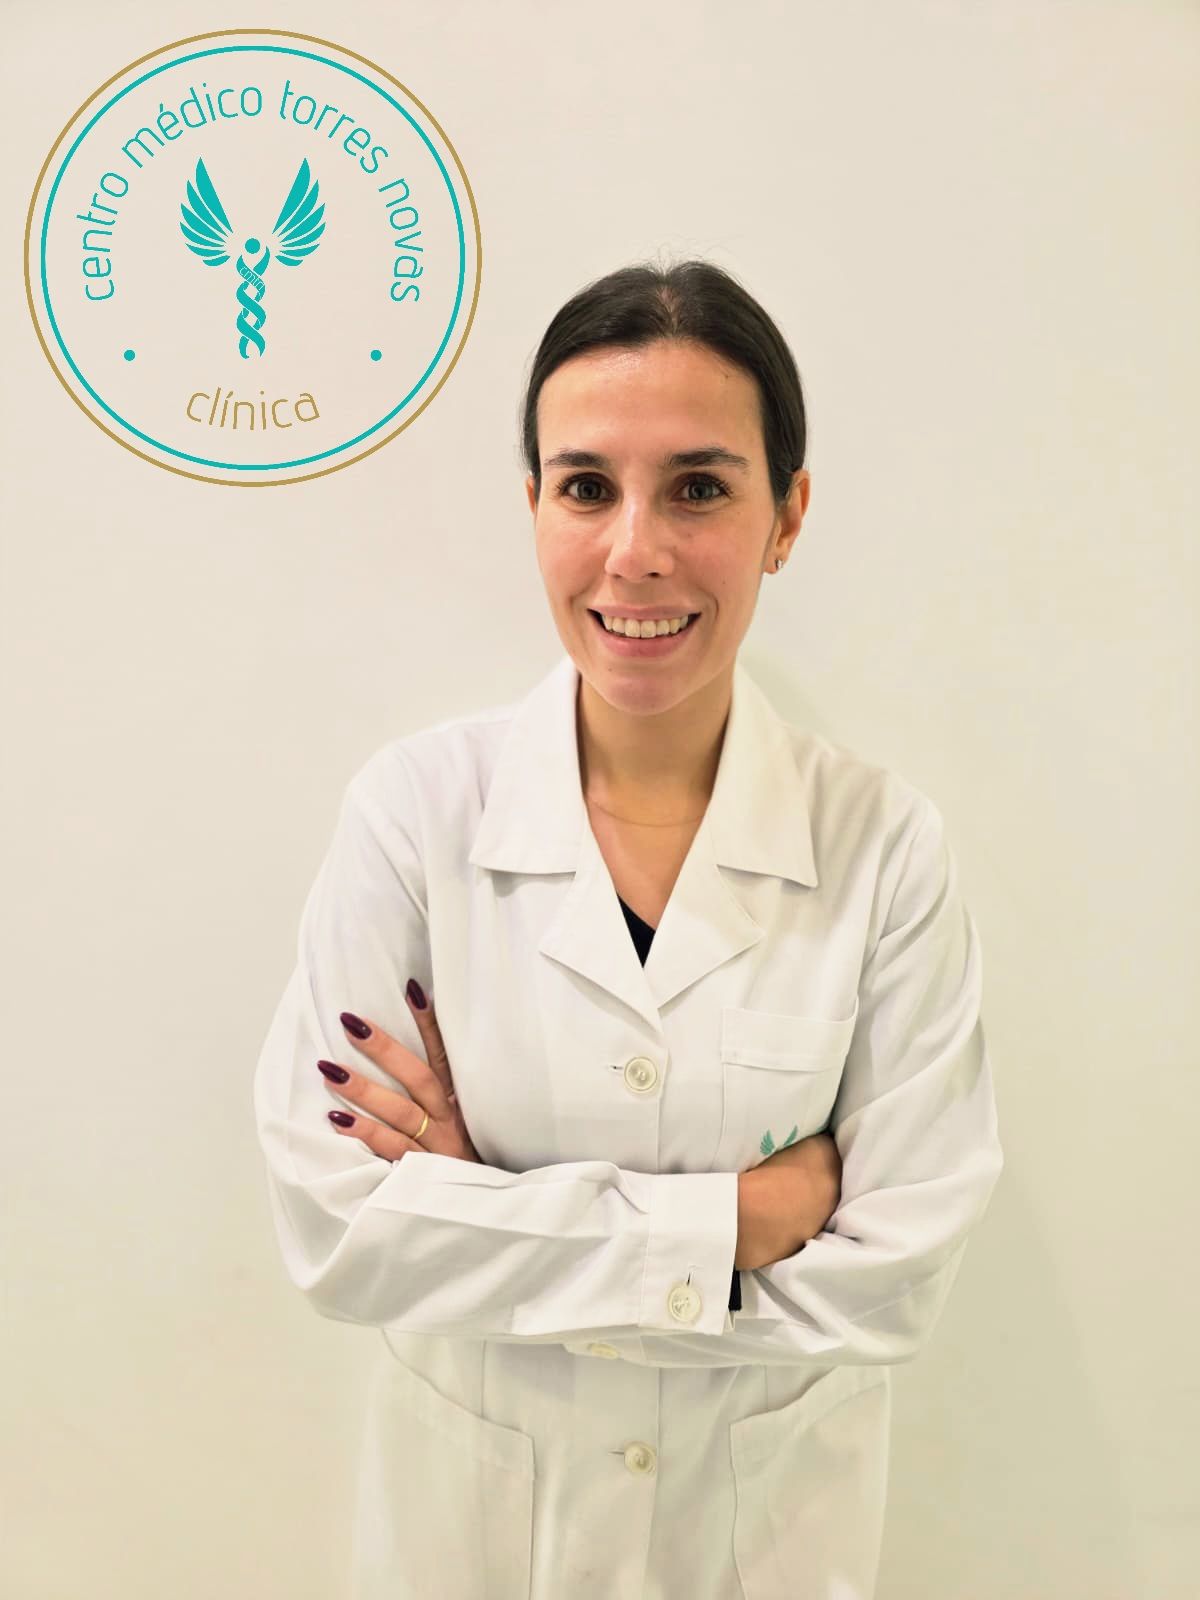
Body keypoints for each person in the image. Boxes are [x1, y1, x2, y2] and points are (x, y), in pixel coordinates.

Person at [253, 258, 1005, 1600]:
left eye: (699, 488)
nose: (636, 551)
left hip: (760, 1548)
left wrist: (484, 1216)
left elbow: (894, 1283)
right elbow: (340, 1230)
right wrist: (740, 1221)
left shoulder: (885, 850)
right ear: (535, 506)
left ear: (787, 516)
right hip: (470, 1547)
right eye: (587, 487)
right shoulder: (416, 815)